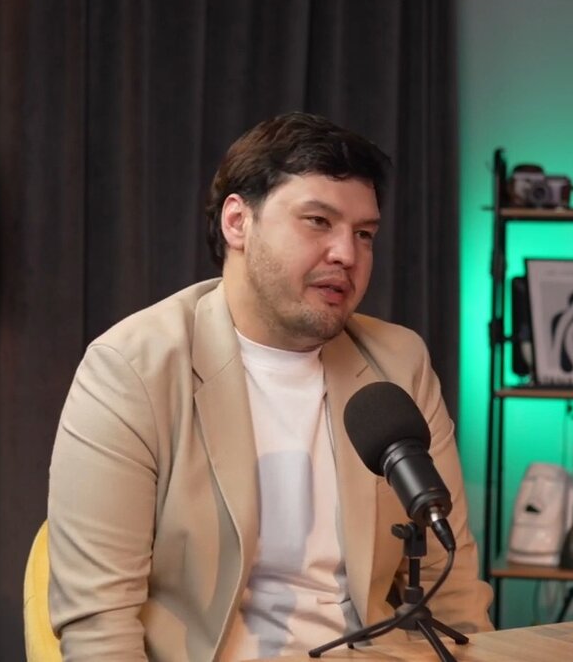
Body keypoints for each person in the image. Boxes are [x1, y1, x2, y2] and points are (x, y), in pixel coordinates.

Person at [47, 112, 493, 661]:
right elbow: (99, 624)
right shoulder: (131, 370)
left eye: (364, 234)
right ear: (238, 222)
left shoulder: (399, 362)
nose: (347, 254)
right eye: (318, 221)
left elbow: (454, 589)